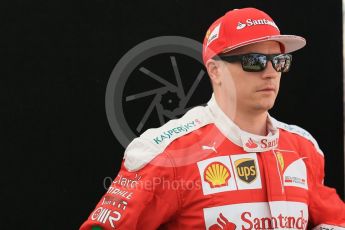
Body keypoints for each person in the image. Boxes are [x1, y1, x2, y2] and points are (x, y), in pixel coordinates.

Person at [80, 7, 345, 229]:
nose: (270, 72)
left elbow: (334, 217)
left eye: (279, 61)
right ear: (215, 71)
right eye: (254, 60)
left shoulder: (304, 149)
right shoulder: (168, 153)